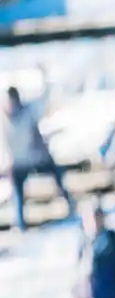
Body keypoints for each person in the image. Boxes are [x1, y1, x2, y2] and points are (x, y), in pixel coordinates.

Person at [3, 86, 73, 231]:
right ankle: (20, 224)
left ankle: (69, 203)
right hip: (16, 163)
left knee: (54, 171)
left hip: (33, 157)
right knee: (17, 190)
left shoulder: (27, 114)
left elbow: (36, 135)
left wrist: (43, 152)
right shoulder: (2, 119)